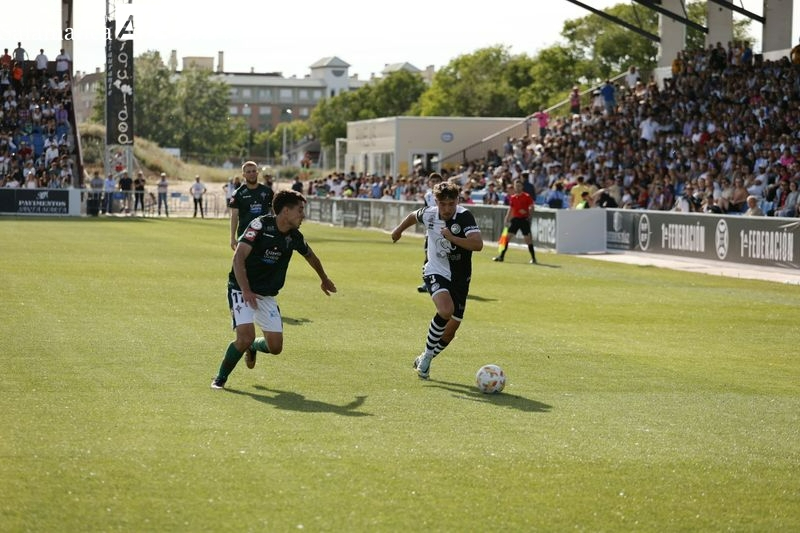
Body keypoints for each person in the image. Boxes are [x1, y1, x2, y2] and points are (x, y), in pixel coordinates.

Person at [211, 189, 337, 389]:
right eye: (300, 210)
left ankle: (253, 347)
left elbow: (311, 256)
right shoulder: (260, 226)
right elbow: (238, 258)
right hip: (241, 288)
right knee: (244, 337)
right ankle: (220, 378)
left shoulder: (294, 236)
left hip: (266, 294)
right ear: (285, 211)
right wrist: (245, 290)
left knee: (275, 347)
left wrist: (324, 279)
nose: (303, 215)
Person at [391, 181, 483, 380]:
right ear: (436, 202)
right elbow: (412, 217)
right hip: (435, 270)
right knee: (445, 310)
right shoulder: (429, 213)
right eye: (443, 204)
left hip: (460, 278)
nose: (447, 208)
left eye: (452, 203)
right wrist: (398, 230)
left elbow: (477, 244)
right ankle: (425, 362)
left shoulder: (464, 216)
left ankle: (426, 356)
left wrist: (452, 238)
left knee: (450, 331)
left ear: (457, 201)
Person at [229, 161, 274, 250]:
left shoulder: (267, 191)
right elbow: (234, 216)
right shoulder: (238, 193)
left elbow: (274, 213)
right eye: (248, 172)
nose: (252, 174)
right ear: (243, 175)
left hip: (264, 235)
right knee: (242, 263)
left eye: (254, 171)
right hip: (245, 236)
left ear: (257, 173)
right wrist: (232, 238)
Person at [493, 179, 537, 264]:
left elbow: (532, 206)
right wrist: (507, 218)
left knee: (528, 240)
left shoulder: (527, 196)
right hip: (516, 220)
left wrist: (529, 214)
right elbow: (511, 209)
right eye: (516, 186)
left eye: (519, 186)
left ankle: (533, 258)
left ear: (522, 187)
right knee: (507, 238)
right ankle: (501, 256)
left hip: (524, 220)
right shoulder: (513, 197)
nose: (518, 187)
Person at [416, 172, 443, 292]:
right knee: (428, 256)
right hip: (431, 231)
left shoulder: (446, 194)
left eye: (438, 181)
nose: (435, 183)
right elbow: (425, 211)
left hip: (443, 231)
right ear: (429, 183)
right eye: (433, 181)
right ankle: (427, 282)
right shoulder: (427, 195)